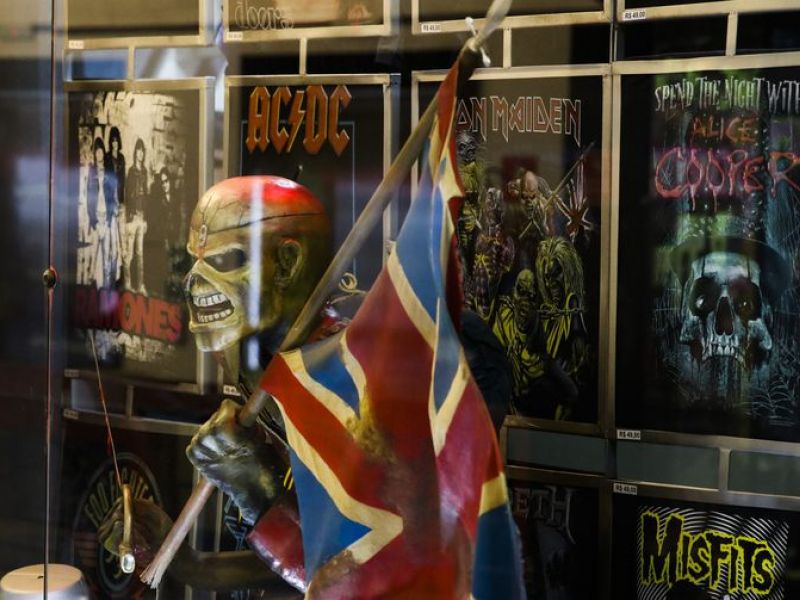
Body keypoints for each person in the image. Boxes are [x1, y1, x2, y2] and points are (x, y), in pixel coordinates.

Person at [124, 138, 148, 294]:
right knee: (129, 254)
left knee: (140, 254)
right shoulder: (131, 171)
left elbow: (146, 196)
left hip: (141, 217)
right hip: (132, 217)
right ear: (135, 153)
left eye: (142, 151)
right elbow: (127, 195)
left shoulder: (144, 172)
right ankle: (127, 284)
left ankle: (140, 285)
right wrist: (128, 218)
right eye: (138, 150)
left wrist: (145, 219)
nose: (140, 153)